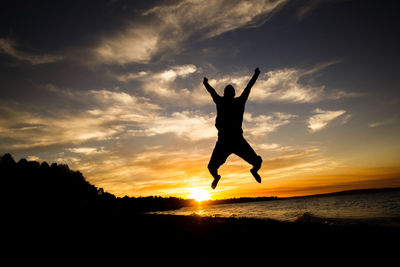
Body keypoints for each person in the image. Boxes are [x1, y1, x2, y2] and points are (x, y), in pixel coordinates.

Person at [203, 68, 263, 189]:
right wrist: (206, 84)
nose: (229, 94)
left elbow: (248, 87)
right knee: (211, 167)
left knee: (257, 161)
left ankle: (254, 171)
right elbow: (212, 92)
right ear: (226, 93)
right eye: (228, 92)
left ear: (232, 94)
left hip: (237, 141)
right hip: (224, 142)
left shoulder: (237, 102)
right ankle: (216, 177)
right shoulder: (222, 101)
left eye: (230, 92)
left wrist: (256, 75)